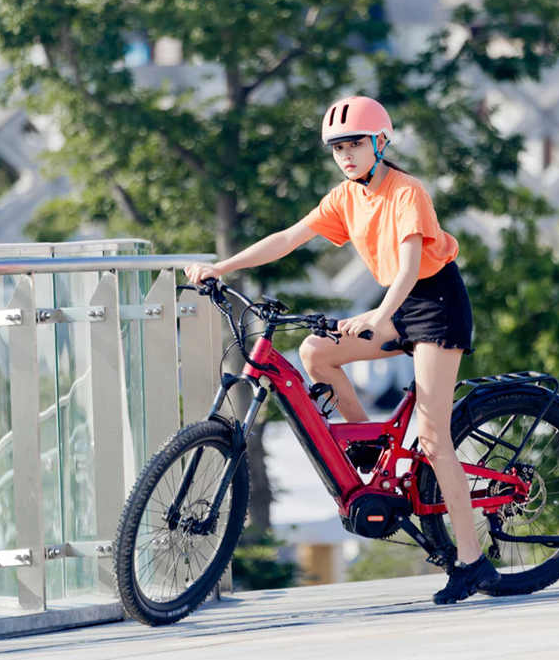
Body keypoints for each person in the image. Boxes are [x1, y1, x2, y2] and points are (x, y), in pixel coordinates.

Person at [184, 95, 499, 604]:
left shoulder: (407, 193)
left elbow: (408, 263)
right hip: (393, 307)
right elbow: (288, 238)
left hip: (434, 306)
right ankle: (370, 449)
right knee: (315, 353)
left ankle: (471, 561)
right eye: (337, 148)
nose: (346, 156)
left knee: (435, 438)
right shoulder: (345, 197)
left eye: (355, 144)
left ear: (380, 143)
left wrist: (378, 316)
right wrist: (223, 268)